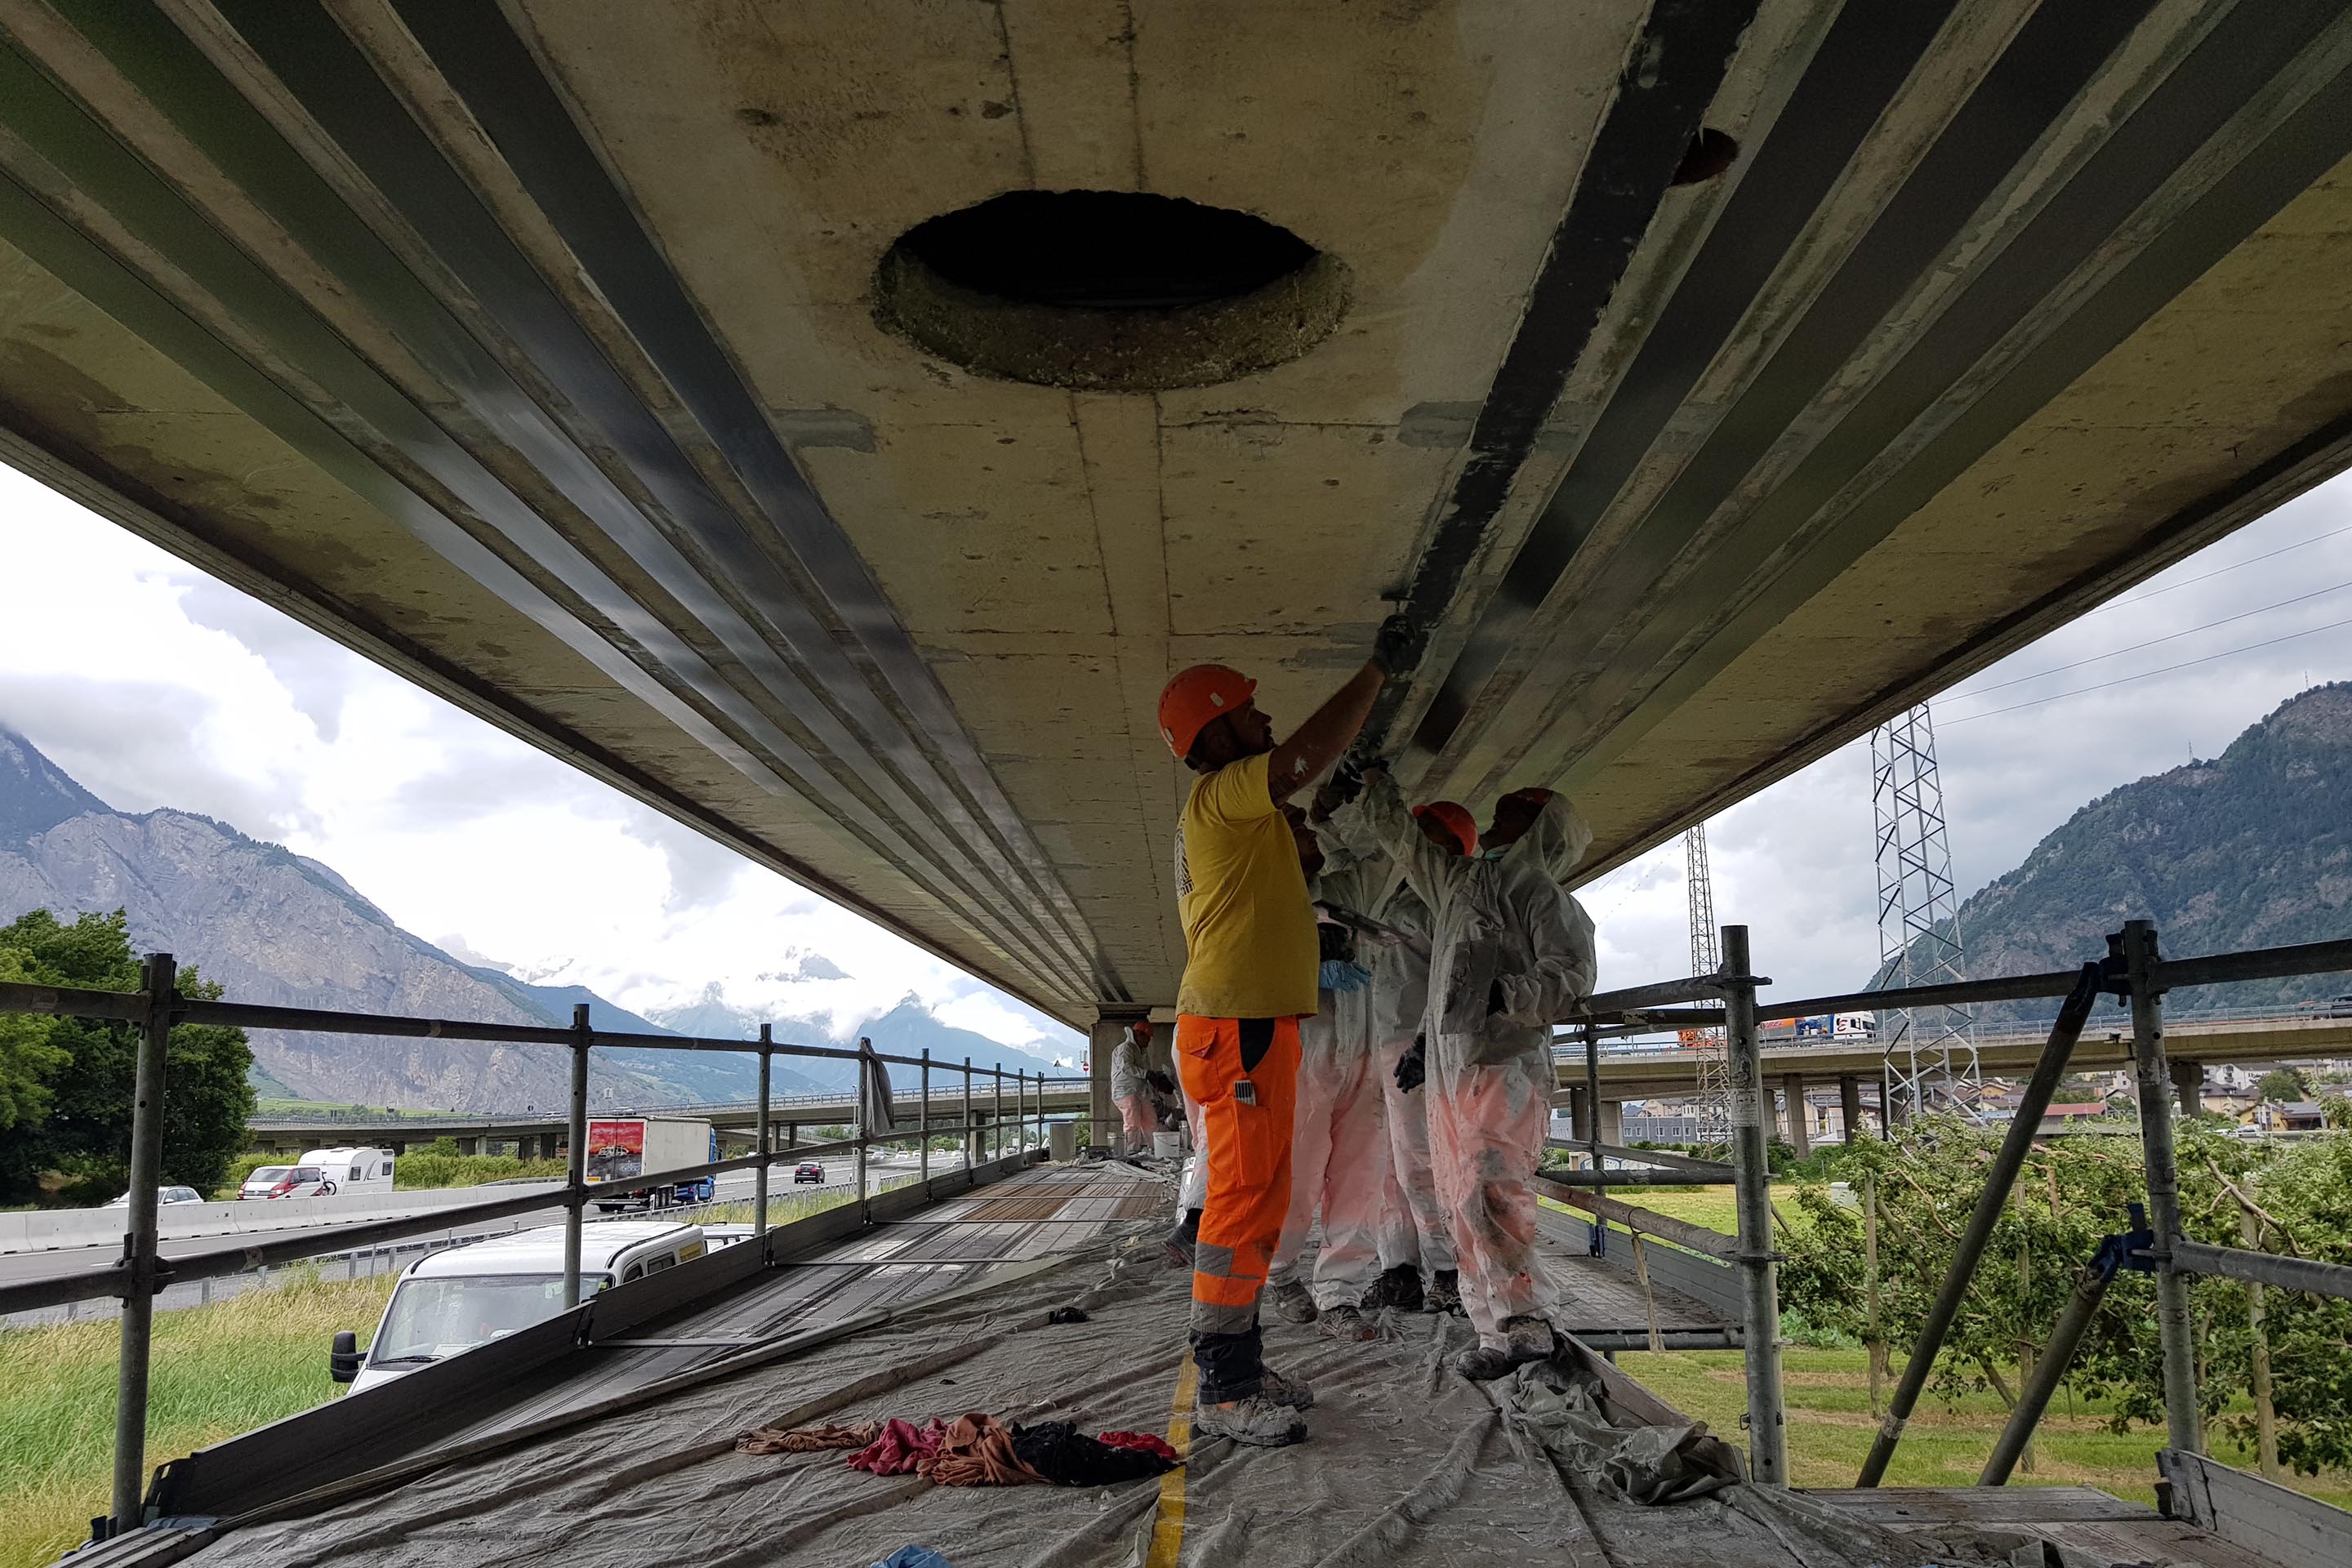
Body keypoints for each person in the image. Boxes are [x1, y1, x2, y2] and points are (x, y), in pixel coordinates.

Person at [1154, 612, 1420, 1448]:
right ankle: (1223, 1387)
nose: (1267, 720)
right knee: (1238, 1208)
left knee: (1261, 1204)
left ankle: (1241, 1363)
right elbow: (1299, 759)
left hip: (1254, 1025)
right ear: (1218, 729)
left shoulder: (1240, 816)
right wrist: (1378, 674)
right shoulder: (1223, 794)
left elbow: (1300, 824)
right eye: (1252, 711)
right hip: (1235, 1029)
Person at [1360, 767, 1597, 1380]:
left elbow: (1570, 976)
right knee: (1460, 1200)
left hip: (1504, 1066)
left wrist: (1504, 995)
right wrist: (1374, 784)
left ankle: (1528, 1320)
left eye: (1520, 804)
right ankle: (1492, 1330)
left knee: (1495, 1194)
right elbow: (1408, 847)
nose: (1501, 806)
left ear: (1544, 829)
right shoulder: (1462, 884)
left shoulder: (1542, 896)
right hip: (1449, 1069)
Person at [1324, 791, 1477, 1316]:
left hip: (1418, 1047)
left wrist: (1425, 1043)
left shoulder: (1445, 905)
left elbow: (1456, 980)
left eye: (1425, 836)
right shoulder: (1388, 899)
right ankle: (1399, 1271)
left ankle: (1450, 1272)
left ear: (1450, 848)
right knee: (1384, 1167)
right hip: (1376, 1046)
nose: (1408, 847)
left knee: (1422, 1165)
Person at [1263, 805, 1387, 1340]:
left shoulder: (1349, 887)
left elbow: (1377, 857)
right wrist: (1304, 967)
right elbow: (1240, 968)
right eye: (1291, 828)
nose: (1305, 837)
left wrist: (1347, 804)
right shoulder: (1257, 891)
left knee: (1361, 1180)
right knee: (1295, 1179)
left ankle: (1340, 1296)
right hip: (1301, 1052)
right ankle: (1278, 1272)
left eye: (1306, 827)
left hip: (1365, 1046)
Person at [1109, 1021, 1159, 1151]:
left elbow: (1144, 1072)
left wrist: (1153, 1083)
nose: (1149, 1041)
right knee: (1132, 1123)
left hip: (1139, 1091)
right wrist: (1147, 1074)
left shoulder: (1142, 1052)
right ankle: (1132, 1151)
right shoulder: (1125, 1048)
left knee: (1150, 1120)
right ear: (1138, 1034)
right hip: (1125, 1091)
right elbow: (1126, 1067)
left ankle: (1155, 1148)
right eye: (1147, 1037)